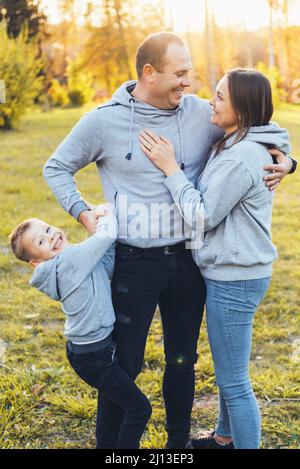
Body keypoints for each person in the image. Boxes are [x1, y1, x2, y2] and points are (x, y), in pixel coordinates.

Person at [42, 32, 294, 449]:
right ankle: (113, 448)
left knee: (182, 362)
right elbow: (57, 167)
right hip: (132, 263)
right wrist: (84, 213)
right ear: (149, 73)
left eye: (190, 74)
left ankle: (179, 445)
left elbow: (260, 126)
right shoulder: (104, 120)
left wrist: (288, 161)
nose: (188, 83)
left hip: (191, 262)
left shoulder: (201, 114)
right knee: (125, 362)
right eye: (180, 74)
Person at [139, 68, 292, 449]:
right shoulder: (236, 141)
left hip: (235, 278)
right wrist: (292, 162)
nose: (212, 100)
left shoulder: (240, 156)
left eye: (221, 96)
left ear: (242, 108)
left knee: (235, 381)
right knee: (229, 368)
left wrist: (171, 168)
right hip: (233, 271)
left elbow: (203, 215)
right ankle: (224, 438)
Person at [8, 207, 152, 449]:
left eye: (47, 228)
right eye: (41, 241)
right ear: (35, 262)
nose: (51, 236)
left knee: (111, 400)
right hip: (92, 356)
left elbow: (106, 263)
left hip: (93, 350)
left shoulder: (74, 260)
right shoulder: (68, 263)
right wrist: (105, 214)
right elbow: (105, 237)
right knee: (139, 409)